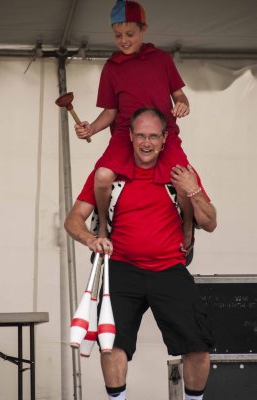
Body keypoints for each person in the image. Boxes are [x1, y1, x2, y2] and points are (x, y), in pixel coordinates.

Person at [66, 107, 217, 400]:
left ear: (164, 139)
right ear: (130, 138)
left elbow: (210, 222)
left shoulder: (181, 173)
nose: (146, 143)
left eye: (153, 136)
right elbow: (73, 219)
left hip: (169, 268)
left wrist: (193, 190)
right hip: (121, 268)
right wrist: (91, 239)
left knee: (198, 346)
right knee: (112, 345)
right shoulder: (110, 175)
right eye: (140, 136)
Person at [75, 0, 191, 239]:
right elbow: (110, 112)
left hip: (163, 134)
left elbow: (179, 95)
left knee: (184, 180)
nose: (123, 40)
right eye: (117, 35)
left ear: (143, 29)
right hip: (125, 135)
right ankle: (104, 227)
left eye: (130, 33)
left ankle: (187, 229)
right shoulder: (111, 67)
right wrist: (92, 130)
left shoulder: (162, 59)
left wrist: (183, 105)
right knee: (103, 176)